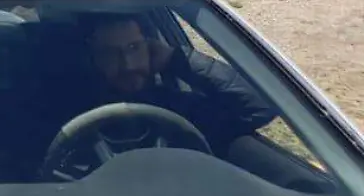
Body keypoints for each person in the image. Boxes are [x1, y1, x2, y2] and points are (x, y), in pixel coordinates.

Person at [77, 12, 277, 153]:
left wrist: (178, 60)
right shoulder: (64, 111)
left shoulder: (180, 109)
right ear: (92, 58)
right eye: (111, 53)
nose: (128, 65)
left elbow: (260, 108)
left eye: (134, 47)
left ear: (152, 47)